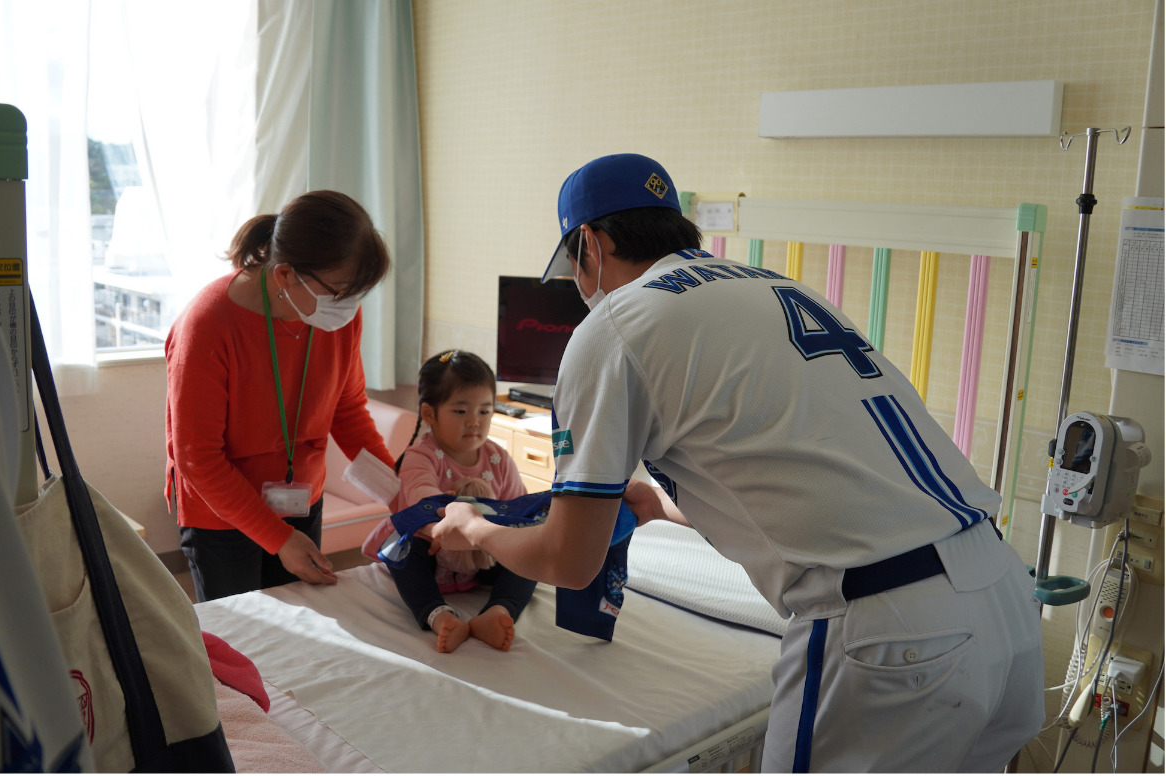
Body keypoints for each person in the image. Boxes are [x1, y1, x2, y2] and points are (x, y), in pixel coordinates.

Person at [432, 154, 1045, 771]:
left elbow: (569, 561)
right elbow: (800, 465)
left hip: (892, 632)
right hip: (1005, 597)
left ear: (588, 244)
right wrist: (662, 503)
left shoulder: (614, 326)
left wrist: (475, 527)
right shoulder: (778, 286)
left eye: (572, 265)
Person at [165, 190, 395, 602]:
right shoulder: (207, 326)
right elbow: (198, 458)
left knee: (300, 616)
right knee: (240, 630)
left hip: (301, 498)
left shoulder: (336, 314)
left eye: (358, 291)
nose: (350, 304)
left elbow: (348, 412)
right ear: (285, 275)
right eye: (341, 289)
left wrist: (400, 495)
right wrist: (279, 538)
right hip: (223, 512)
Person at [363, 350, 537, 653]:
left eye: (484, 411)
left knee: (530, 554)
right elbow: (424, 503)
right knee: (402, 551)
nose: (474, 422)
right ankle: (438, 614)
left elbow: (519, 512)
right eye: (460, 411)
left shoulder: (499, 458)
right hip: (433, 551)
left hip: (482, 556)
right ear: (429, 414)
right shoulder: (421, 456)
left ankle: (498, 611)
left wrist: (513, 537)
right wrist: (457, 526)